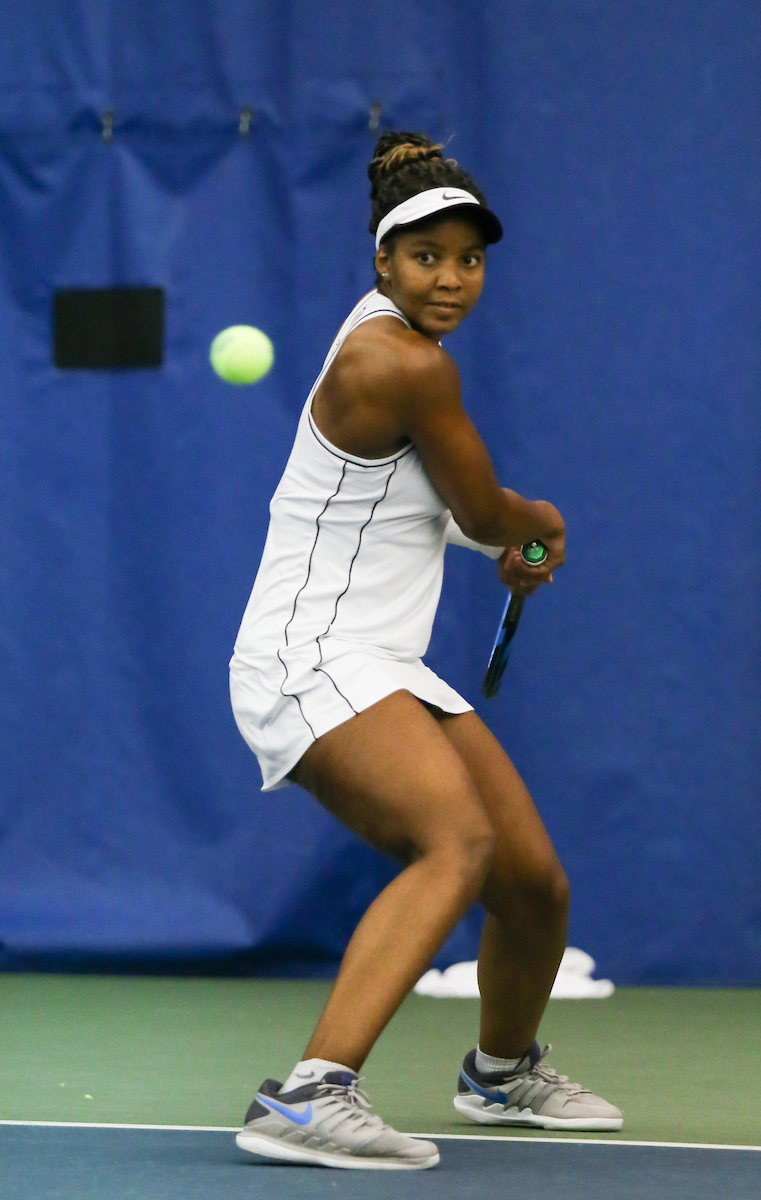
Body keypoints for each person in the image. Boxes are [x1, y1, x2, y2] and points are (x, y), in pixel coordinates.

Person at [229, 131, 622, 1171]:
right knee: (454, 841)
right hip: (307, 656)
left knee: (533, 883)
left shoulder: (402, 351)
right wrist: (533, 524)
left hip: (379, 658)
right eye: (426, 257)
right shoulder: (395, 361)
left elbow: (417, 506)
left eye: (469, 259)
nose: (449, 278)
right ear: (381, 262)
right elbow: (490, 504)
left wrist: (489, 535)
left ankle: (500, 1074)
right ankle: (307, 1097)